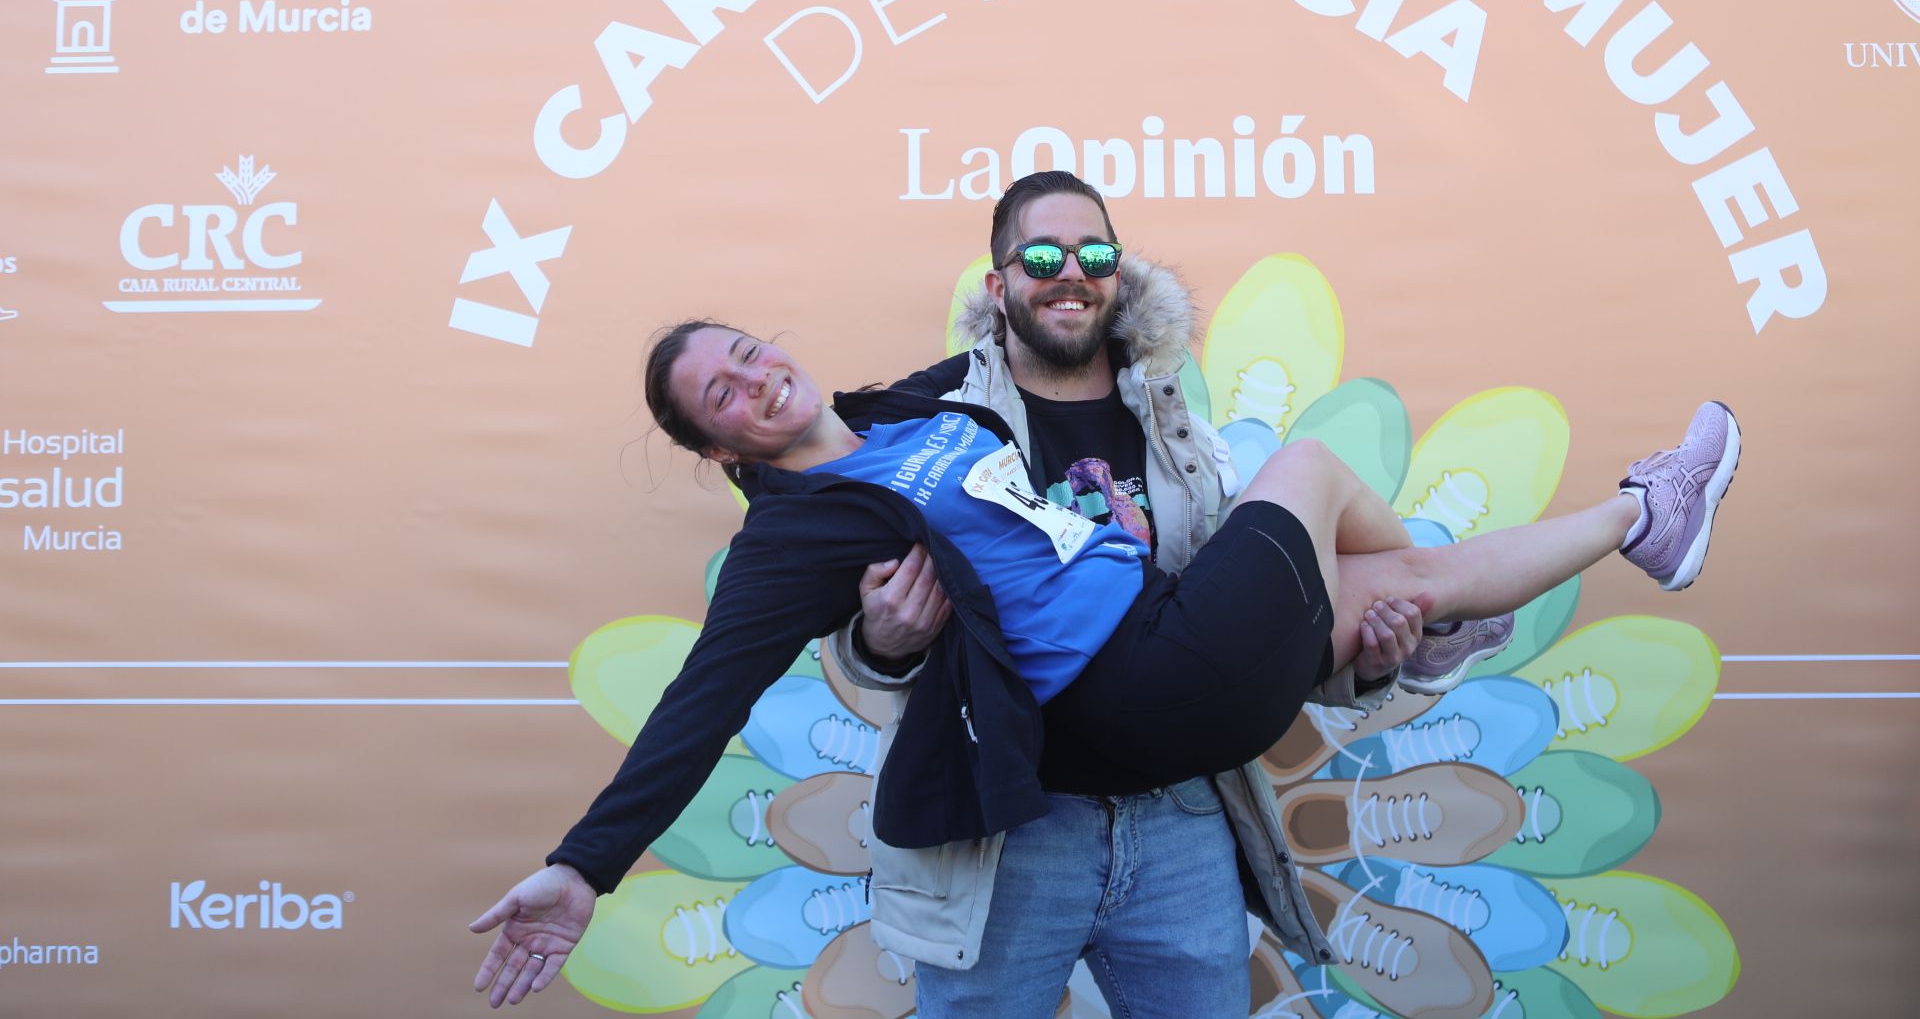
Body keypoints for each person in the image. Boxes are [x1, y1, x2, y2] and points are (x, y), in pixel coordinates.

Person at [469, 308, 1739, 1011]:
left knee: (1378, 581)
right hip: (1129, 695)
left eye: (745, 348)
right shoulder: (799, 528)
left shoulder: (909, 409)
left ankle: (1620, 524)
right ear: (716, 449)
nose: (753, 379)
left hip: (1164, 660)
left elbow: (1034, 337)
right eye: (721, 394)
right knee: (1308, 473)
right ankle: (1629, 519)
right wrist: (586, 864)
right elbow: (707, 695)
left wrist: (1065, 275)